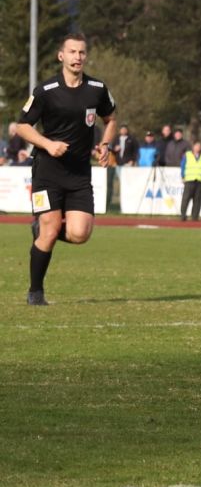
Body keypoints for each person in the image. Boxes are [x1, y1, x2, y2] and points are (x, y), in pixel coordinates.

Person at [16, 33, 117, 305]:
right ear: (61, 55)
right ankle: (35, 292)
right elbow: (22, 126)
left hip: (79, 174)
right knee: (50, 230)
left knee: (80, 234)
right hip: (47, 172)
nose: (77, 57)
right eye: (72, 52)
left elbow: (111, 119)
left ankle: (40, 229)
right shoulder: (45, 90)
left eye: (82, 52)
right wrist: (48, 144)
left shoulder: (97, 88)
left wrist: (105, 145)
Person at [179, 141, 201, 222]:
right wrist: (183, 176)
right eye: (196, 146)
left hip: (199, 180)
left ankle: (195, 217)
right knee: (186, 199)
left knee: (197, 200)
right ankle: (183, 215)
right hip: (189, 180)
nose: (198, 148)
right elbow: (183, 166)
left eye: (199, 146)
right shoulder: (187, 155)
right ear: (193, 147)